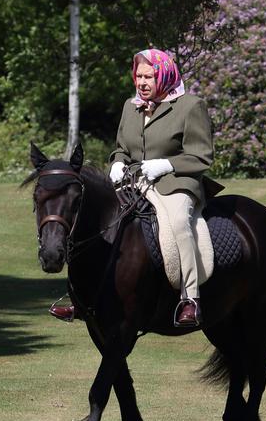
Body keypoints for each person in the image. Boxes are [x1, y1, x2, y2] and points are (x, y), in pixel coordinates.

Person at [50, 48, 215, 327]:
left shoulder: (190, 106)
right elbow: (121, 149)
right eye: (138, 76)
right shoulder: (131, 105)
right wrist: (117, 163)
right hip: (134, 183)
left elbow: (202, 156)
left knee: (177, 224)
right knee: (94, 220)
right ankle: (80, 299)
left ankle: (190, 298)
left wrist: (167, 165)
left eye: (148, 76)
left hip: (175, 183)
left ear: (164, 74)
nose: (142, 83)